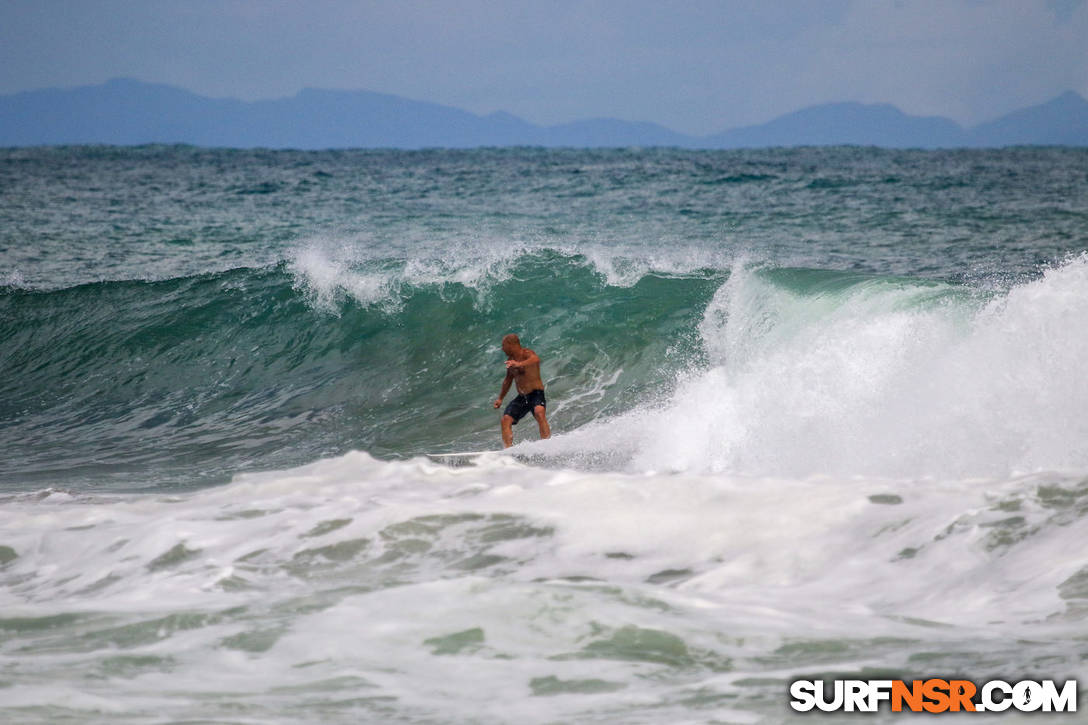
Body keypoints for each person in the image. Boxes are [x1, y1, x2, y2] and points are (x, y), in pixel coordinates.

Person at [493, 333, 550, 448]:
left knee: (539, 412)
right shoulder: (510, 361)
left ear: (511, 345)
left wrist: (519, 364)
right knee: (505, 419)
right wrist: (500, 398)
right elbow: (508, 380)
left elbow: (536, 359)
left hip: (536, 393)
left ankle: (547, 445)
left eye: (503, 346)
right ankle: (509, 450)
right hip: (522, 397)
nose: (502, 349)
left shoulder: (527, 354)